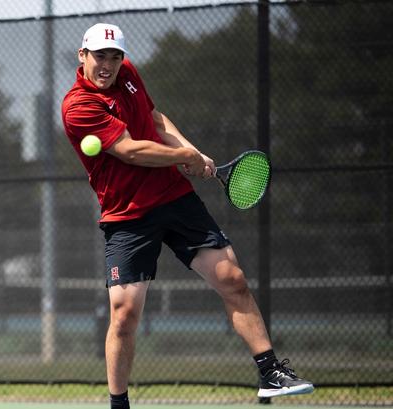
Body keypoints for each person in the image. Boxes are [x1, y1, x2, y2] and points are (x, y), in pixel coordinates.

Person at [61, 23, 314, 409]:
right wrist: (184, 157)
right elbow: (130, 150)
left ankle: (270, 373)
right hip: (127, 215)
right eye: (100, 57)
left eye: (115, 57)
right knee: (125, 314)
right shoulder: (78, 106)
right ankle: (118, 404)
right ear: (83, 56)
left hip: (174, 198)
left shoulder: (127, 76)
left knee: (232, 278)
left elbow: (156, 119)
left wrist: (193, 151)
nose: (108, 65)